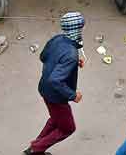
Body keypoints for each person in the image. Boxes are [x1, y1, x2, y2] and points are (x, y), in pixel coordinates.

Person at [25, 11, 85, 155]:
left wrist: (73, 62)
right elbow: (55, 80)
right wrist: (72, 95)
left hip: (44, 89)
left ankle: (35, 149)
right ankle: (35, 149)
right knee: (68, 128)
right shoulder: (71, 53)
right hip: (56, 97)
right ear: (76, 30)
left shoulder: (57, 39)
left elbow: (43, 56)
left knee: (56, 120)